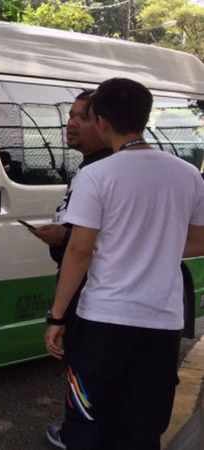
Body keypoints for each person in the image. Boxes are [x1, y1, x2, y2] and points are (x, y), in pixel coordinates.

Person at [43, 78, 204, 450]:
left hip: (103, 321)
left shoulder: (97, 175)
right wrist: (154, 246)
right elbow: (199, 238)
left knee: (86, 420)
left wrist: (57, 316)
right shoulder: (186, 174)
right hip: (162, 323)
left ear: (101, 121)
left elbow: (79, 251)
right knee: (143, 425)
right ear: (144, 117)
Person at [31, 91, 112, 347]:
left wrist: (57, 316)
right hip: (84, 287)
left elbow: (86, 245)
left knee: (85, 373)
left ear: (104, 124)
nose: (71, 123)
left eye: (83, 117)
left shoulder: (103, 170)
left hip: (91, 290)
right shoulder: (89, 165)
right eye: (71, 115)